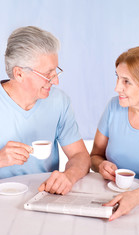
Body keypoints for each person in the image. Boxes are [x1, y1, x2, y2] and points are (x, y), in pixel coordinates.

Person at [0, 26, 90, 195]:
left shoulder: (59, 101)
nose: (55, 81)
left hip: (44, 197)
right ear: (19, 74)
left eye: (56, 71)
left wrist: (69, 176)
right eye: (48, 74)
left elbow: (80, 155)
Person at [91, 46, 139, 221]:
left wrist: (135, 197)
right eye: (117, 78)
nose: (117, 88)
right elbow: (94, 156)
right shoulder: (114, 107)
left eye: (126, 81)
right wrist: (101, 165)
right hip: (109, 198)